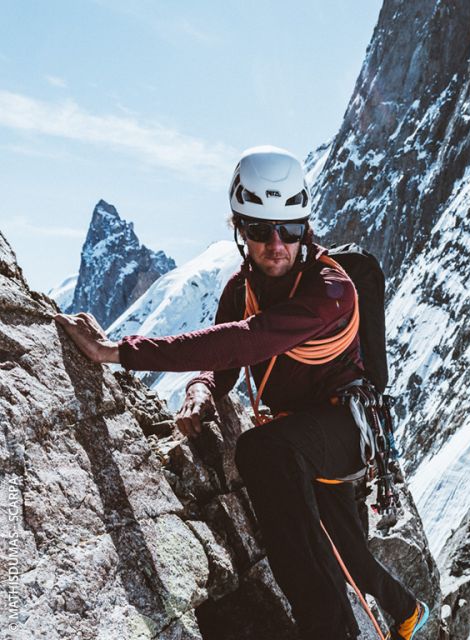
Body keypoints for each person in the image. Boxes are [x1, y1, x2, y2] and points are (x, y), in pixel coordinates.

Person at [55, 146, 429, 640]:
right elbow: (224, 364)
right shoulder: (240, 291)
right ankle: (408, 612)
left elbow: (248, 340)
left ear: (304, 228)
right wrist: (203, 388)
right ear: (240, 228)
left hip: (342, 427)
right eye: (260, 230)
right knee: (346, 549)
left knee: (263, 453)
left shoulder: (332, 289)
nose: (276, 244)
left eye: (289, 230)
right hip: (304, 432)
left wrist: (116, 352)